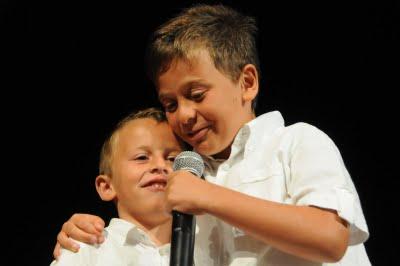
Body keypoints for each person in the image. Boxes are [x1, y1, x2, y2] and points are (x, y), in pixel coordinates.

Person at [53, 4, 371, 265]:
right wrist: (83, 238)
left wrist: (209, 197)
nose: (184, 115)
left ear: (247, 83)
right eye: (170, 103)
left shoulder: (296, 143)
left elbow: (329, 238)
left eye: (197, 94)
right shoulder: (192, 177)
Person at [51, 108, 185, 265]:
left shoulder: (206, 248)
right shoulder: (86, 250)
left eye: (172, 158)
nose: (161, 165)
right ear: (107, 187)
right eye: (142, 157)